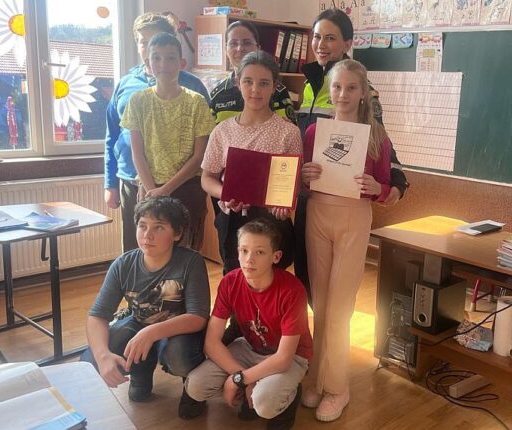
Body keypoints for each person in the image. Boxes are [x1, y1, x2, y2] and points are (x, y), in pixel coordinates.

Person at [300, 59, 392, 422]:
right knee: (321, 304)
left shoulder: (376, 136)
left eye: (351, 88)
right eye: (337, 87)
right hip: (318, 214)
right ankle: (317, 377)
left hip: (354, 218)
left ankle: (338, 387)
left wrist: (376, 187)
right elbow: (304, 178)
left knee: (340, 306)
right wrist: (306, 175)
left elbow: (386, 187)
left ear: (364, 92)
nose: (342, 94)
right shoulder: (314, 132)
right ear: (330, 89)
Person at [293, 8, 408, 297]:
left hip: (347, 206)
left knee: (337, 289)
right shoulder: (310, 83)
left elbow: (379, 139)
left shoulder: (359, 86)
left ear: (347, 43)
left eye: (330, 38)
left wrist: (397, 182)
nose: (321, 44)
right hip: (312, 200)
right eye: (316, 37)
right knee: (308, 279)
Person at [81, 196, 210, 419]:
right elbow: (97, 316)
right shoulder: (123, 264)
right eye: (142, 226)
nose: (147, 235)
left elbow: (197, 317)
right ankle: (142, 368)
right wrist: (103, 356)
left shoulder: (191, 262)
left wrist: (151, 333)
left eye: (158, 227)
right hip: (140, 322)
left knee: (179, 357)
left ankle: (192, 390)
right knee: (90, 361)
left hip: (180, 331)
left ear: (177, 233)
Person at [185, 219, 312, 430]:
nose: (249, 259)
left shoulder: (292, 290)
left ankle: (288, 396)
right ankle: (256, 384)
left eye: (259, 252)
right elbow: (211, 342)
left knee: (265, 404)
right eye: (244, 250)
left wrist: (238, 380)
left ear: (276, 257)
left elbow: (283, 359)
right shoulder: (230, 282)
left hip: (291, 356)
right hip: (250, 347)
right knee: (195, 386)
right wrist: (242, 377)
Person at [103, 12, 210, 252]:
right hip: (135, 183)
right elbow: (112, 136)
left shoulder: (194, 91)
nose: (163, 63)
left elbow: (202, 150)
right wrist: (111, 183)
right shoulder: (127, 87)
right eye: (144, 42)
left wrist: (163, 190)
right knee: (139, 252)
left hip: (184, 186)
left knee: (182, 254)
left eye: (170, 57)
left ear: (180, 59)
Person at [201, 51, 302, 275]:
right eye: (248, 81)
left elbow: (293, 184)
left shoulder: (288, 132)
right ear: (238, 83)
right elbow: (207, 178)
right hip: (234, 218)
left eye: (264, 83)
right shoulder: (222, 130)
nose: (255, 89)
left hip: (272, 221)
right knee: (236, 277)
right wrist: (225, 193)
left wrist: (285, 204)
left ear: (275, 86)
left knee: (273, 280)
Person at [210, 20, 296, 124]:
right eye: (233, 43)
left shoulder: (277, 91)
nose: (240, 48)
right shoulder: (217, 95)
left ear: (258, 48)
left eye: (246, 43)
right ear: (225, 49)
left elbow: (287, 128)